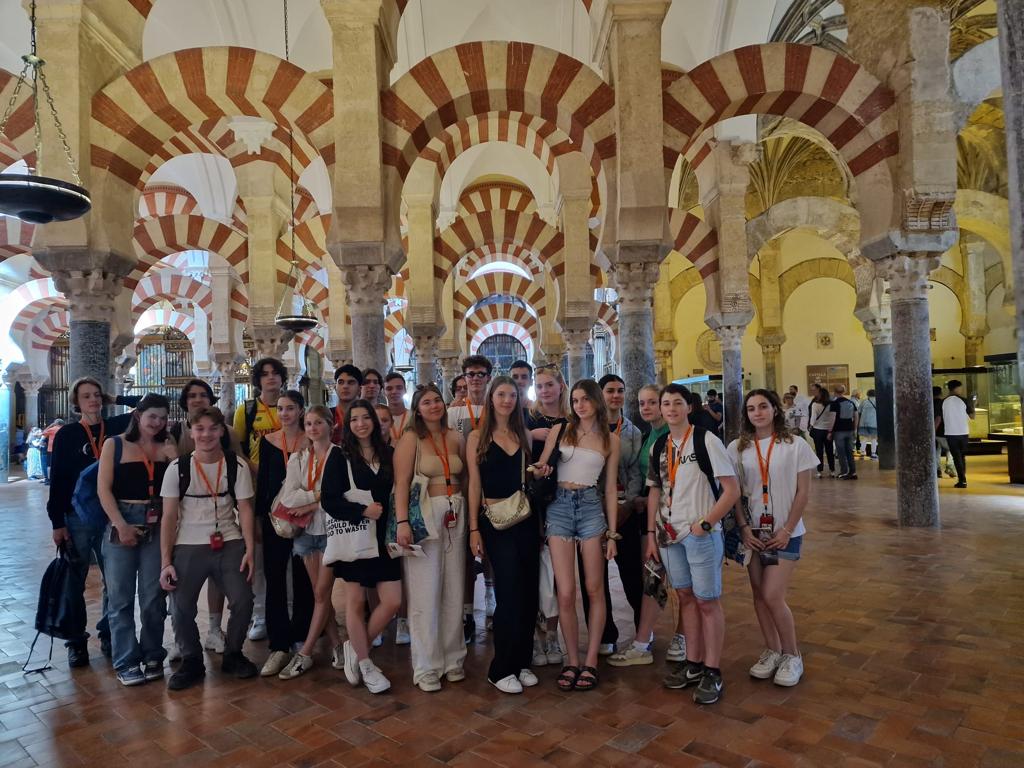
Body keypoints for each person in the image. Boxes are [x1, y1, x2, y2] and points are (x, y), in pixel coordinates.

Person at [647, 384, 740, 705]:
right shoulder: (659, 444)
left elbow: (731, 490)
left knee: (707, 602)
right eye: (665, 403)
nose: (671, 408)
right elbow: (655, 492)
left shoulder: (706, 440)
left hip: (699, 535)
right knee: (685, 597)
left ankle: (712, 670)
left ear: (689, 407)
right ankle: (694, 663)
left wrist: (705, 523)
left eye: (677, 403)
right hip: (668, 535)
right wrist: (651, 534)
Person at [159, 407, 258, 690]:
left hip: (229, 540)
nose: (206, 434)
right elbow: (168, 517)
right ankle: (191, 660)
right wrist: (166, 560)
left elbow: (246, 509)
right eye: (199, 428)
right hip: (189, 543)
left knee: (242, 599)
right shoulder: (178, 468)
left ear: (222, 431)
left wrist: (250, 549)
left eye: (212, 428)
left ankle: (234, 653)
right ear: (191, 432)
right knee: (180, 606)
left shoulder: (235, 465)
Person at [533, 379, 620, 692]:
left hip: (590, 507)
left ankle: (592, 659)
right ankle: (572, 659)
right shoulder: (561, 430)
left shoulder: (610, 439)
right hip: (559, 505)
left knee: (594, 589)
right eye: (576, 399)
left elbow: (610, 488)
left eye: (585, 399)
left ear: (596, 401)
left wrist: (612, 533)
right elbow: (543, 463)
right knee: (566, 592)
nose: (580, 405)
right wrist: (540, 470)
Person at [47, 377, 139, 667]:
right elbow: (58, 480)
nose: (93, 400)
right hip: (78, 518)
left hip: (112, 515)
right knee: (75, 582)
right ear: (76, 403)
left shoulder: (115, 428)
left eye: (97, 395)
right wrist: (56, 522)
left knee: (115, 579)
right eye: (86, 396)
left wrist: (116, 399)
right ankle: (76, 642)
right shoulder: (67, 434)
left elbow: (148, 404)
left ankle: (109, 633)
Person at [728, 389, 816, 687]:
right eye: (751, 409)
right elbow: (735, 494)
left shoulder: (795, 445)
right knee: (758, 595)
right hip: (753, 533)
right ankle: (772, 650)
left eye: (763, 406)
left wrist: (787, 529)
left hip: (785, 532)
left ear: (775, 410)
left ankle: (792, 654)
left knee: (772, 595)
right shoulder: (737, 448)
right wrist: (743, 529)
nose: (757, 413)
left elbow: (803, 492)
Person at [466, 377, 541, 694]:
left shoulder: (523, 433)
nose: (507, 400)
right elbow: (473, 484)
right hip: (494, 521)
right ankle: (501, 668)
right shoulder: (475, 438)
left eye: (513, 394)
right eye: (501, 394)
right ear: (491, 398)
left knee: (528, 591)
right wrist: (472, 528)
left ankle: (522, 660)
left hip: (524, 517)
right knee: (508, 590)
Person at [97, 394, 177, 686]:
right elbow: (103, 490)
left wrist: (172, 459)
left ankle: (153, 652)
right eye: (151, 417)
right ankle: (126, 660)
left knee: (154, 596)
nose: (157, 423)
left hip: (158, 522)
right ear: (137, 416)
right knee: (119, 597)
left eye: (162, 417)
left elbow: (177, 488)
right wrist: (121, 525)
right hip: (123, 520)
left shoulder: (167, 446)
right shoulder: (114, 444)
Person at [322, 400, 401, 693]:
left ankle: (355, 647)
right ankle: (366, 664)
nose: (361, 424)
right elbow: (328, 500)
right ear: (347, 424)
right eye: (354, 419)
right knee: (355, 602)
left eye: (365, 417)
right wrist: (362, 512)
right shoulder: (340, 456)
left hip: (383, 538)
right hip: (356, 535)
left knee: (392, 600)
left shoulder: (389, 453)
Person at [394, 384, 468, 691]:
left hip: (456, 511)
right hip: (425, 515)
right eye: (427, 402)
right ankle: (426, 666)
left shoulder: (455, 437)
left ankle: (453, 658)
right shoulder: (411, 438)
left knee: (454, 588)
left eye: (437, 400)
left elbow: (466, 476)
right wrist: (401, 523)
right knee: (425, 591)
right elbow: (400, 484)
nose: (434, 405)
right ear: (417, 408)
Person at [609, 383, 685, 668]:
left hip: (673, 517)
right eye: (642, 403)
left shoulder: (673, 434)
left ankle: (682, 635)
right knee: (653, 575)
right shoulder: (650, 433)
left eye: (654, 402)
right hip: (652, 516)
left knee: (677, 580)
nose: (648, 408)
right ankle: (645, 638)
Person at [169, 378, 243, 656]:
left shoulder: (227, 432)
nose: (197, 399)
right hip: (183, 515)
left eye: (202, 395)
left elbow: (239, 462)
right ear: (185, 401)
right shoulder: (175, 432)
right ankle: (181, 638)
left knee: (218, 575)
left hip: (218, 516)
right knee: (179, 580)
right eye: (192, 396)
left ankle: (214, 629)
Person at [277, 406, 345, 679]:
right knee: (321, 594)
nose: (313, 428)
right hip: (305, 532)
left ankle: (304, 653)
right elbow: (288, 498)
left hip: (330, 531)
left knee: (320, 593)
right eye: (308, 423)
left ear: (330, 425)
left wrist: (311, 502)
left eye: (319, 423)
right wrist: (317, 499)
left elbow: (339, 494)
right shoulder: (298, 458)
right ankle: (338, 644)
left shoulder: (339, 456)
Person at [254, 390, 314, 677]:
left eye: (290, 408)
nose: (285, 413)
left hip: (304, 516)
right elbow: (263, 482)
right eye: (281, 409)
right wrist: (258, 520)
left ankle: (302, 635)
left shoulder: (310, 440)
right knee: (275, 577)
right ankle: (279, 644)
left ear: (301, 411)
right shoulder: (268, 442)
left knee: (304, 576)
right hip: (274, 519)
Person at [588, 374, 643, 657]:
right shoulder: (589, 430)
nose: (616, 396)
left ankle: (642, 630)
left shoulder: (633, 431)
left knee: (632, 572)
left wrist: (628, 504)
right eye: (610, 391)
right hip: (595, 512)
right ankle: (606, 633)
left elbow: (635, 471)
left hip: (626, 511)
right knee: (595, 577)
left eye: (621, 391)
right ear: (600, 394)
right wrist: (602, 507)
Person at [524, 365, 568, 668]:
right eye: (539, 386)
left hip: (563, 503)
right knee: (534, 572)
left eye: (549, 384)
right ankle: (537, 638)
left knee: (555, 575)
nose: (544, 391)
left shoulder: (573, 420)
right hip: (533, 503)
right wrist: (529, 434)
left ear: (561, 385)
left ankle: (553, 636)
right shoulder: (529, 420)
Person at [447, 355, 494, 636]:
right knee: (464, 555)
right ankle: (466, 613)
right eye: (470, 374)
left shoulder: (498, 409)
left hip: (492, 492)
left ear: (488, 376)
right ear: (463, 378)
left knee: (491, 552)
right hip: (463, 491)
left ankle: (490, 603)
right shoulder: (452, 414)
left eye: (480, 374)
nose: (475, 379)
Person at [942, 380, 972, 488]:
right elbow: (972, 416)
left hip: (950, 433)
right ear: (957, 388)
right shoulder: (964, 400)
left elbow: (940, 418)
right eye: (960, 388)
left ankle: (962, 480)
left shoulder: (943, 401)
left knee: (956, 456)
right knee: (962, 456)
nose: (961, 390)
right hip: (964, 432)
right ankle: (963, 479)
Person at [827, 385, 858, 480]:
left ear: (834, 392)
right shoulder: (851, 403)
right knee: (850, 451)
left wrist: (829, 431)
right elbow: (856, 416)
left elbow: (832, 418)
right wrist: (854, 428)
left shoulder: (834, 403)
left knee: (841, 452)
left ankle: (844, 471)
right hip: (850, 430)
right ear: (844, 392)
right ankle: (853, 472)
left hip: (839, 431)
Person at [808, 387, 836, 478]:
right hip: (828, 430)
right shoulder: (831, 404)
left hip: (817, 430)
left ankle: (819, 471)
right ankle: (832, 470)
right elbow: (833, 417)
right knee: (830, 450)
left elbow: (813, 417)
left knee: (819, 451)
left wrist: (810, 426)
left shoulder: (815, 404)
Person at [332, 365, 363, 443]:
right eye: (341, 382)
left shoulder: (367, 416)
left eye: (351, 382)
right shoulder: (326, 416)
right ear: (335, 387)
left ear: (359, 389)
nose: (345, 386)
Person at [933, 386, 956, 479]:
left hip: (936, 431)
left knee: (936, 451)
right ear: (941, 393)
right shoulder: (944, 403)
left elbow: (937, 419)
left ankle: (937, 470)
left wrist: (932, 431)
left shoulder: (929, 404)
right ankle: (950, 467)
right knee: (950, 449)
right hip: (947, 430)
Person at [384, 372, 410, 443]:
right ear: (384, 392)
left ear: (405, 390)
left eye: (399, 388)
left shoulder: (414, 416)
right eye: (389, 389)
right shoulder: (379, 417)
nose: (394, 391)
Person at [40, 418, 64, 484]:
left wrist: (51, 425)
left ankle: (50, 479)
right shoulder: (64, 429)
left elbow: (43, 433)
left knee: (49, 465)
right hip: (62, 449)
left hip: (51, 449)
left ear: (55, 423)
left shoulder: (52, 429)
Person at [857, 390, 878, 459]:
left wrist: (858, 422)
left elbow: (859, 412)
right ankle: (873, 453)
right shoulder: (877, 401)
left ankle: (862, 452)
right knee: (874, 439)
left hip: (863, 423)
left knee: (864, 438)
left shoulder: (864, 402)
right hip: (874, 423)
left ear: (867, 394)